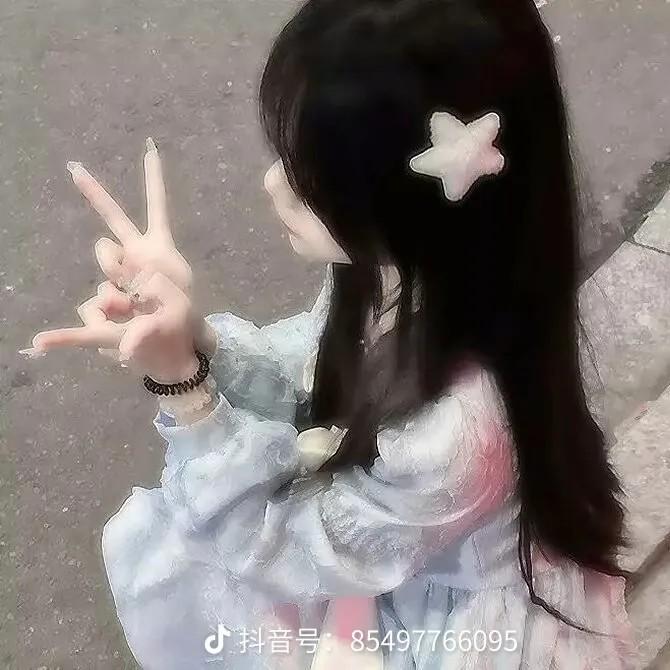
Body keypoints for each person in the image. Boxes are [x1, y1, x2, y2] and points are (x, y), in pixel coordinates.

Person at [24, 0, 637, 667]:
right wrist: (194, 334)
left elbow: (283, 549)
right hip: (387, 560)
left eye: (315, 176)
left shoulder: (455, 435)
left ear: (413, 202)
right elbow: (315, 373)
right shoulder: (411, 277)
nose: (273, 185)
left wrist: (186, 388)